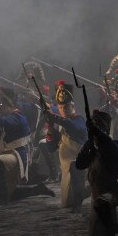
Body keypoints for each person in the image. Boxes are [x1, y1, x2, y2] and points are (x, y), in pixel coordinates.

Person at [74, 110, 118, 236]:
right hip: (96, 195)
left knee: (101, 204)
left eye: (97, 128)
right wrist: (88, 145)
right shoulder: (92, 147)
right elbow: (79, 164)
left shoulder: (114, 145)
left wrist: (95, 131)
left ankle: (114, 228)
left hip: (111, 193)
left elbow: (106, 144)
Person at [43, 81, 89, 210]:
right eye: (61, 107)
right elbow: (51, 148)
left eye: (66, 107)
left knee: (75, 166)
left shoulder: (78, 119)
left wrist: (55, 118)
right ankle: (84, 193)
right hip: (65, 166)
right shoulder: (61, 124)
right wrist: (50, 129)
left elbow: (73, 127)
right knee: (66, 203)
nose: (63, 110)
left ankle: (80, 199)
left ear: (72, 106)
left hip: (81, 160)